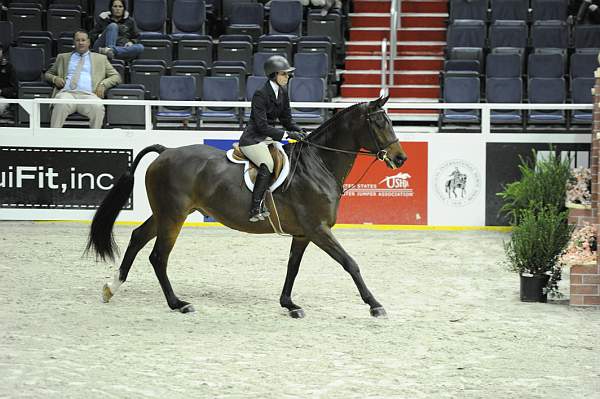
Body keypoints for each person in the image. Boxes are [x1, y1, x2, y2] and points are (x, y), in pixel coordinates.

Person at [239, 55, 307, 222]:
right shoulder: (260, 94)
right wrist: (287, 135)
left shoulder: (282, 92)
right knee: (268, 164)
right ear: (273, 75)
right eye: (284, 74)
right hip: (253, 139)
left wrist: (301, 132)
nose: (287, 77)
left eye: (287, 74)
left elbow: (287, 120)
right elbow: (262, 126)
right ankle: (255, 207)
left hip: (268, 139)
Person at [45, 30, 122, 129]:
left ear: (88, 42)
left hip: (88, 95)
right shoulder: (62, 57)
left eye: (83, 40)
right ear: (74, 42)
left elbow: (116, 76)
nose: (80, 43)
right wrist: (55, 79)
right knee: (60, 103)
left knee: (98, 107)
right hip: (67, 94)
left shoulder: (101, 59)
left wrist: (103, 84)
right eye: (77, 40)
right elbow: (48, 74)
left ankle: (93, 142)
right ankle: (53, 140)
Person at [0, 44, 17, 119]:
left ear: (1, 51)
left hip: (2, 97)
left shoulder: (8, 67)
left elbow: (14, 89)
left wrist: (1, 91)